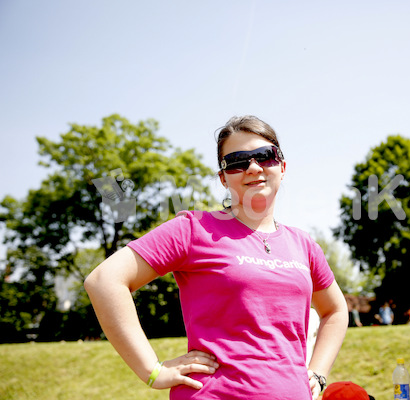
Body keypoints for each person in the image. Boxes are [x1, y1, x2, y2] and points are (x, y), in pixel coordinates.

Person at [84, 115, 349, 400]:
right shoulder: (193, 229)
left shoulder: (304, 245)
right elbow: (104, 281)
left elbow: (335, 311)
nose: (253, 168)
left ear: (282, 167)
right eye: (237, 161)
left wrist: (318, 373)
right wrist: (152, 370)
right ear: (223, 177)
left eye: (265, 156)